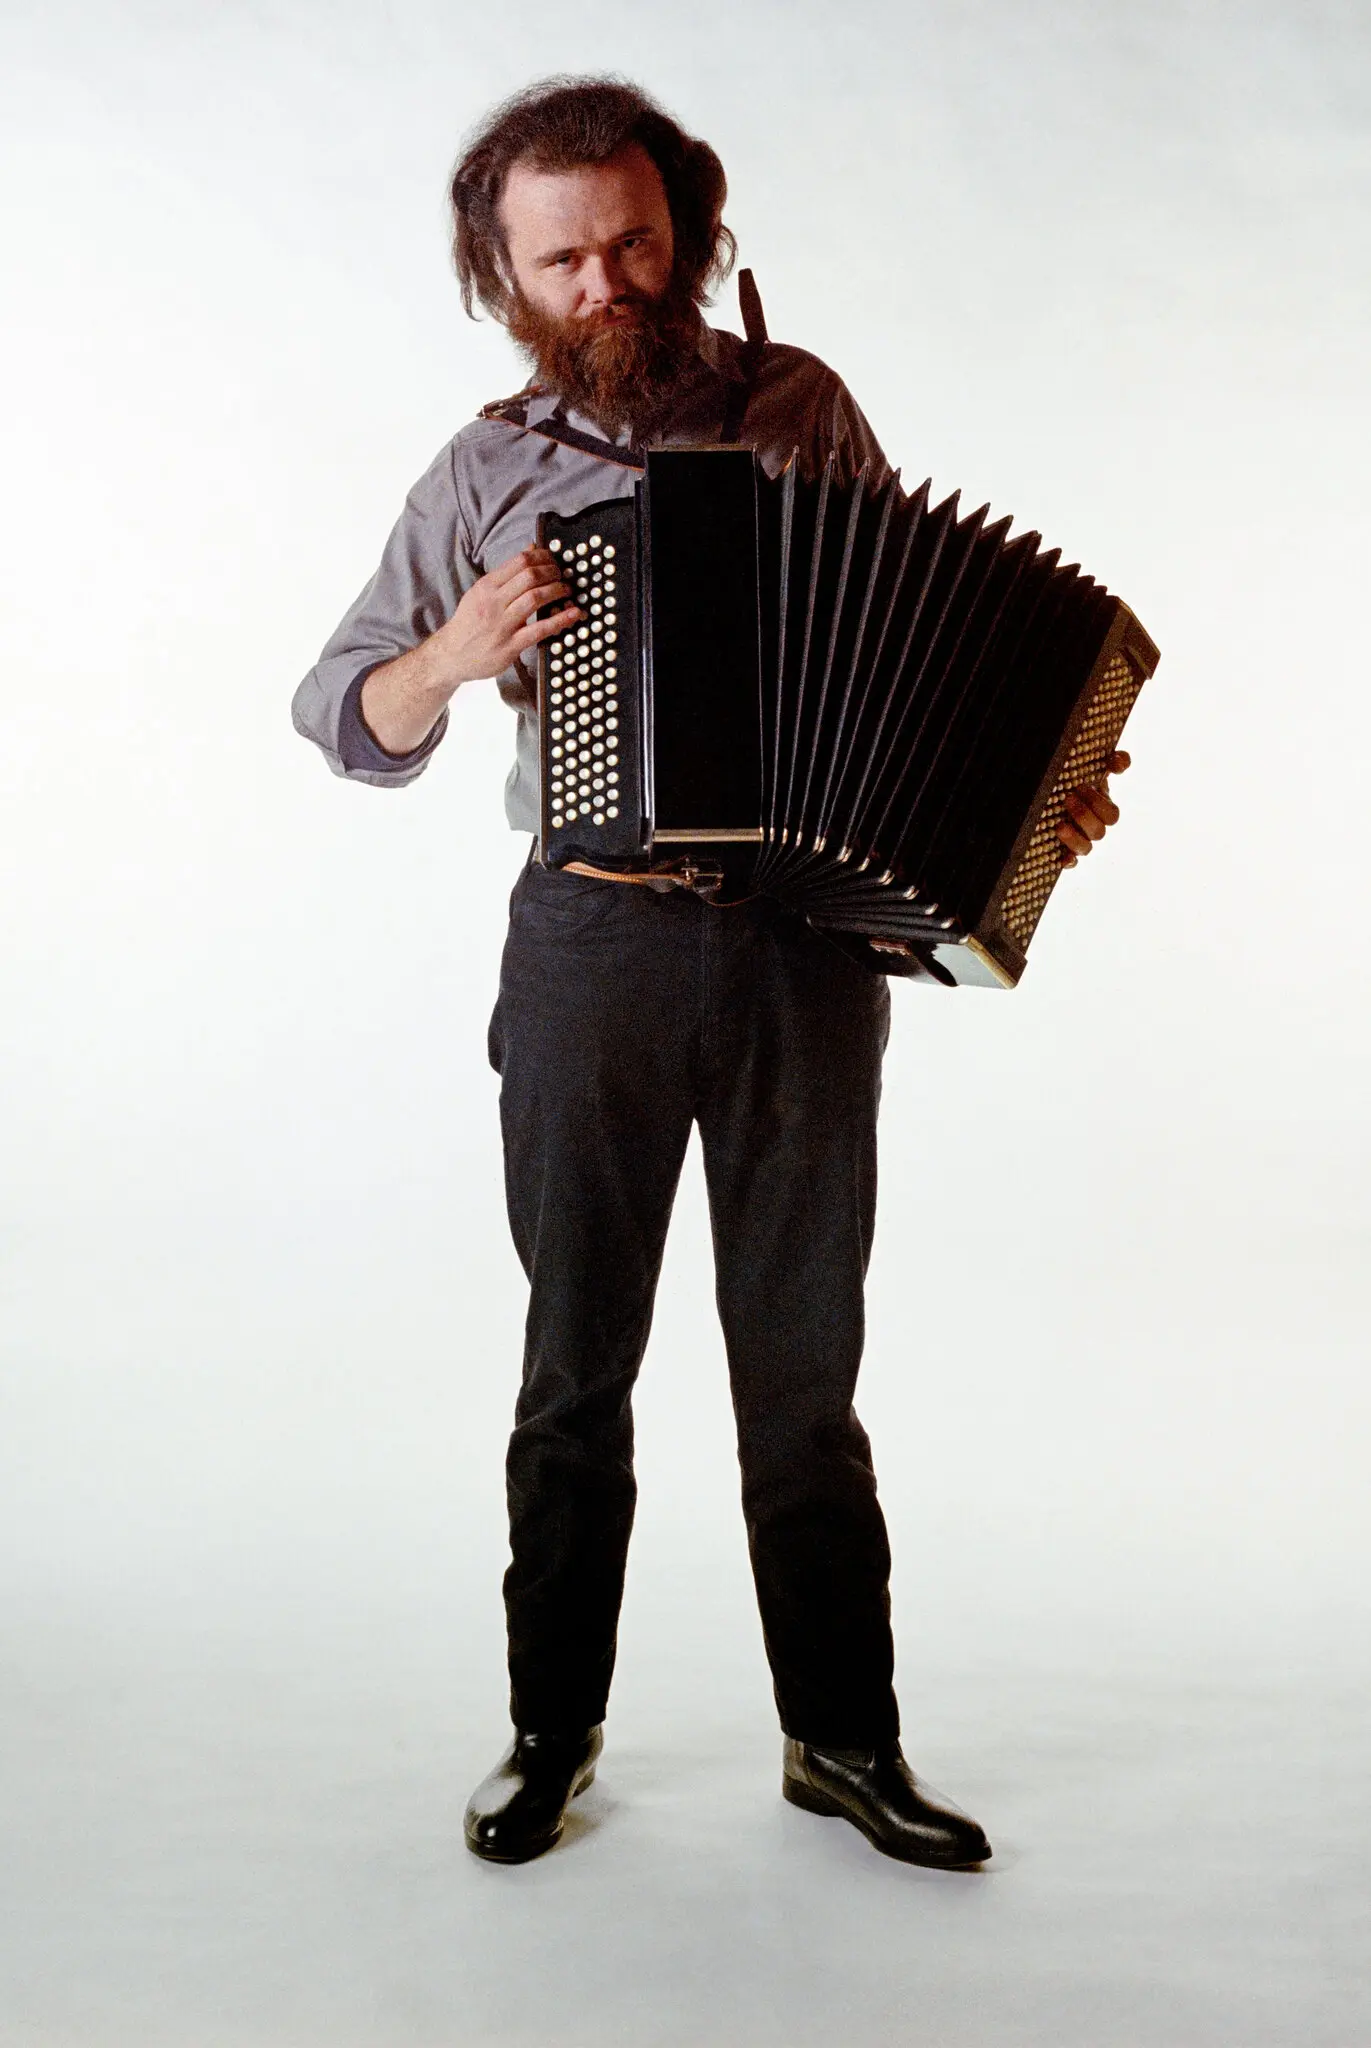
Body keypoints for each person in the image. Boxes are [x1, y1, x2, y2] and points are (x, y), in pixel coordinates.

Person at [291, 77, 1127, 1870]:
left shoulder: (795, 405)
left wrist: (1032, 792)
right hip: (587, 939)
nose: (609, 284)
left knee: (801, 1377)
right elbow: (341, 715)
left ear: (688, 232)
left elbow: (910, 650)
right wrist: (447, 652)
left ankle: (840, 1740)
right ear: (503, 279)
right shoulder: (482, 470)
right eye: (565, 259)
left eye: (637, 244)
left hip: (791, 954)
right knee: (572, 1368)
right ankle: (548, 1731)